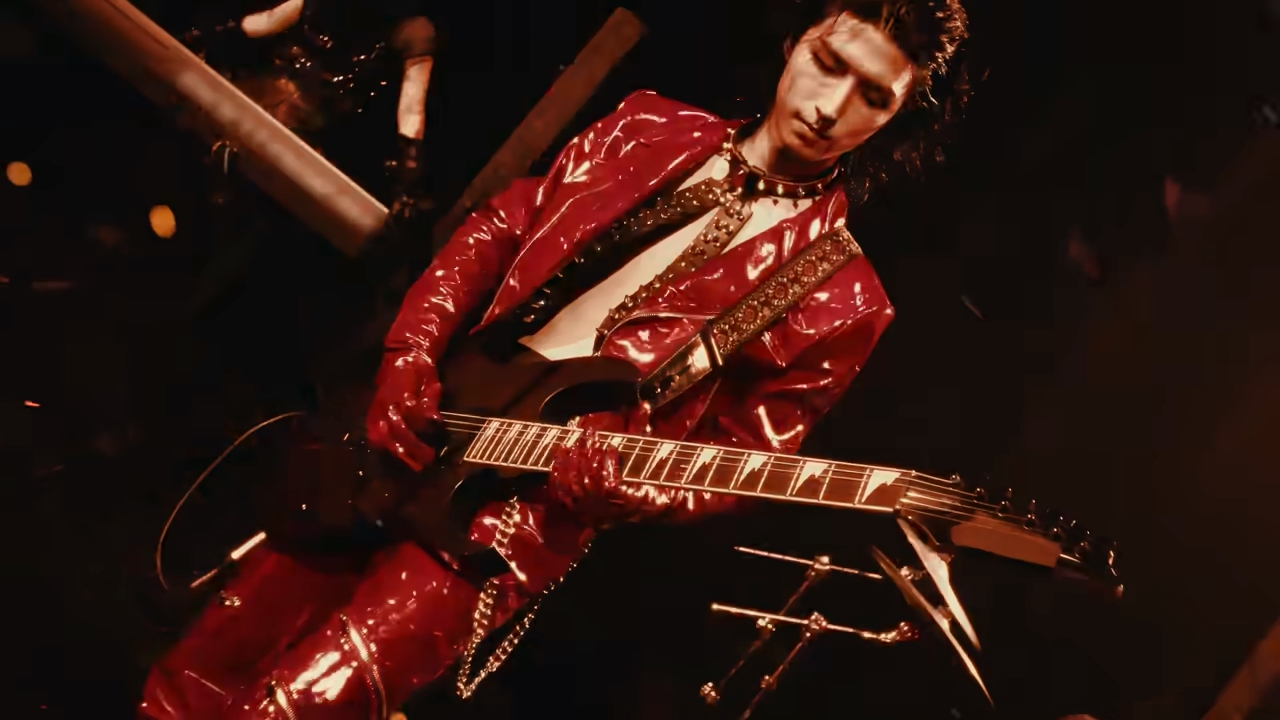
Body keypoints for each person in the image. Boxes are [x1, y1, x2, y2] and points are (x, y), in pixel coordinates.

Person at [139, 1, 970, 717]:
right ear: (794, 42)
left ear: (897, 116)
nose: (831, 107)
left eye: (873, 96)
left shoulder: (845, 298)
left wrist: (630, 486)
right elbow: (500, 228)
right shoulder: (648, 123)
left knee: (297, 708)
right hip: (418, 425)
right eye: (829, 63)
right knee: (203, 666)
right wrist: (411, 350)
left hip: (511, 523)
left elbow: (742, 461)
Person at [183, 0, 437, 216]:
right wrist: (207, 36)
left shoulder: (412, 31)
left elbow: (411, 108)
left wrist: (410, 167)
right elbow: (269, 21)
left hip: (312, 119)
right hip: (270, 90)